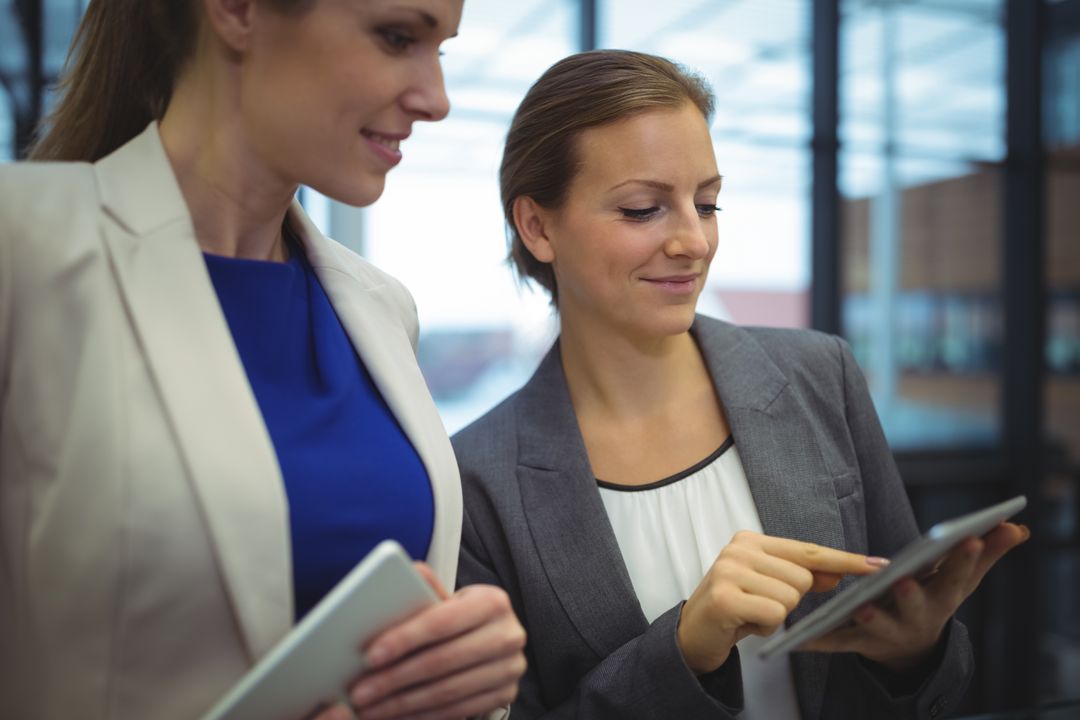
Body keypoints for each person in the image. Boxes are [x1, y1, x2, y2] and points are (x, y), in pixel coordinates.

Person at [452, 49, 1029, 719]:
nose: (694, 241)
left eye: (707, 202)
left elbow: (939, 685)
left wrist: (913, 652)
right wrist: (683, 651)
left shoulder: (821, 376)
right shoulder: (476, 483)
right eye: (643, 209)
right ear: (537, 226)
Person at [0, 1, 527, 719]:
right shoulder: (21, 248)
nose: (436, 99)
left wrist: (460, 678)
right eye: (397, 37)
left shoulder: (379, 309)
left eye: (442, 49)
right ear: (237, 11)